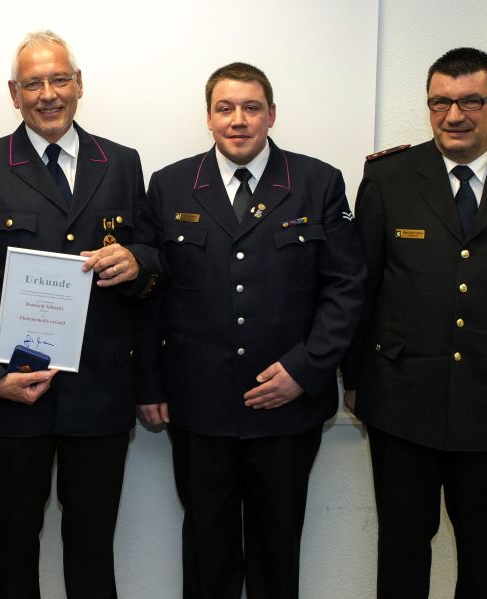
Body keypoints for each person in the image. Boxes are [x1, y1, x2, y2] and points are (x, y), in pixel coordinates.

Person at [0, 30, 161, 599]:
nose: (47, 94)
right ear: (13, 94)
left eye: (58, 79)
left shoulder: (123, 162)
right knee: (12, 553)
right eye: (32, 83)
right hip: (12, 393)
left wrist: (136, 262)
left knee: (93, 553)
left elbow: (156, 259)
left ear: (79, 84)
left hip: (100, 393)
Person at [341, 47, 487, 599]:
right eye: (440, 102)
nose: (454, 115)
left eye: (471, 101)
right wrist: (355, 382)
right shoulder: (389, 176)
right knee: (401, 553)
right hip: (401, 402)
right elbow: (360, 288)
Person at [137, 62, 366, 599]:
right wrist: (148, 383)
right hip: (200, 407)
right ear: (209, 118)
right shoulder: (170, 185)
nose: (238, 120)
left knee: (277, 554)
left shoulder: (318, 182)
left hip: (286, 407)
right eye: (225, 108)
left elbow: (346, 288)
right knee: (206, 555)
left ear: (271, 115)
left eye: (251, 107)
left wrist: (306, 371)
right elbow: (151, 294)